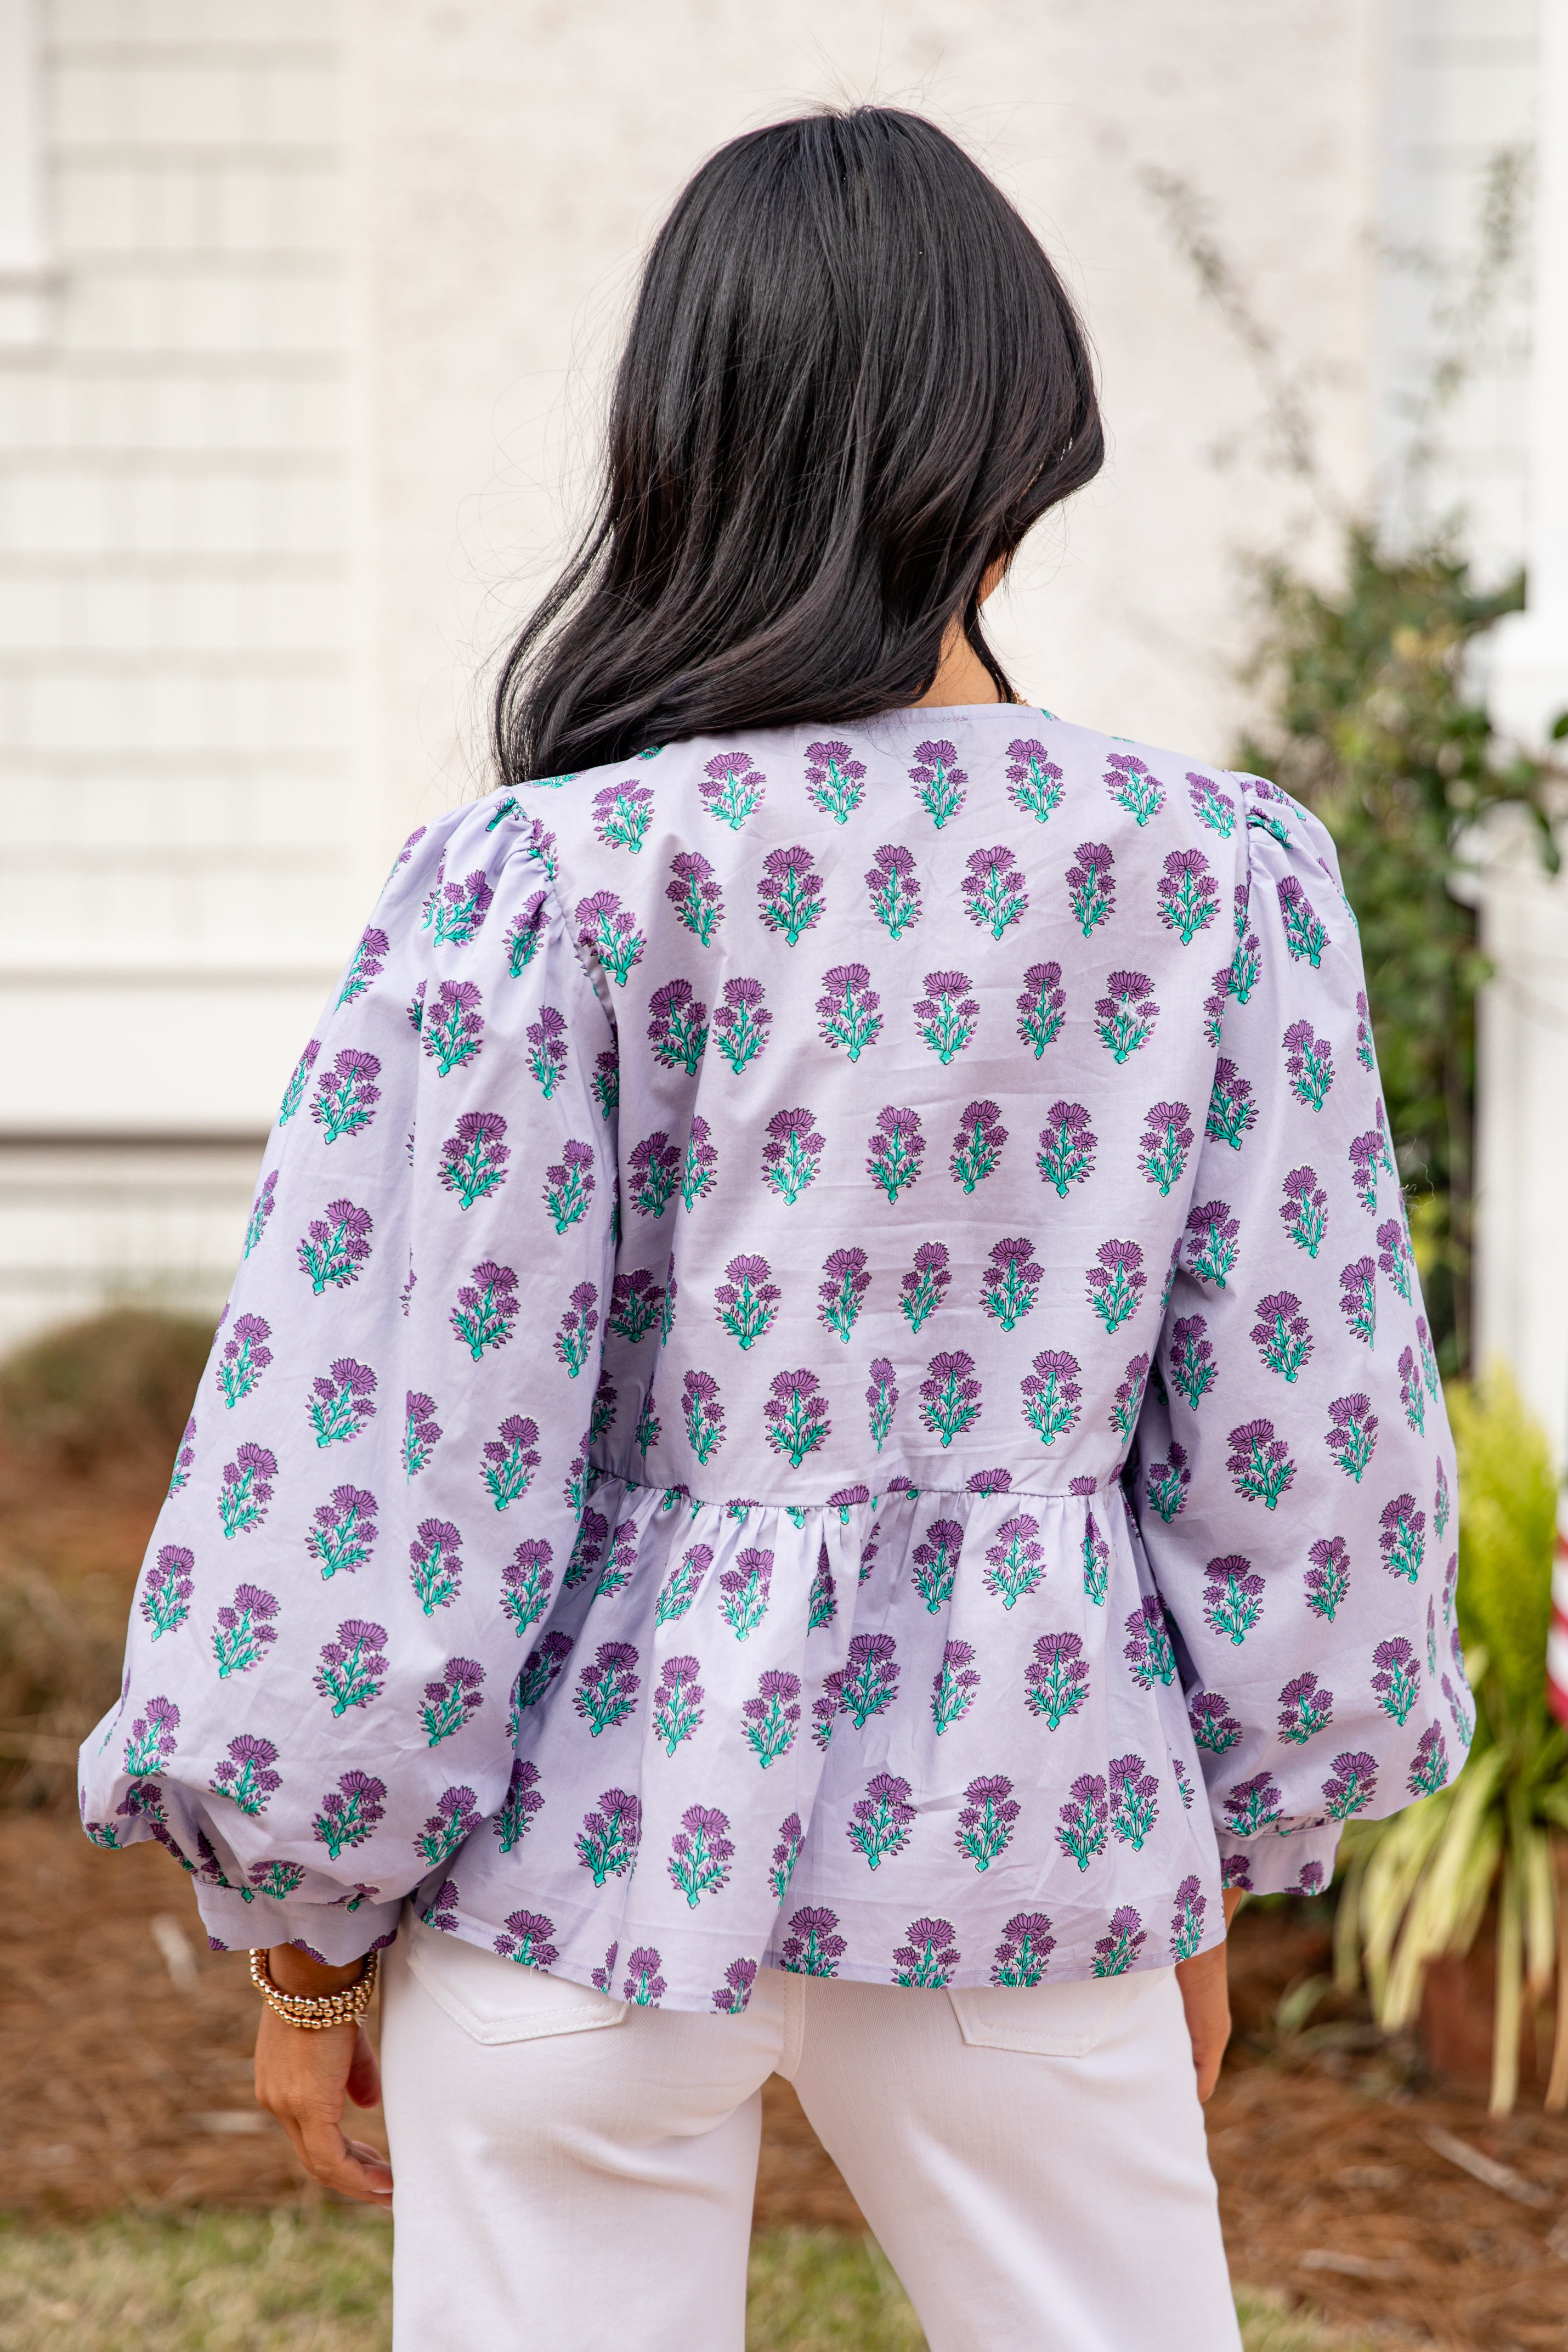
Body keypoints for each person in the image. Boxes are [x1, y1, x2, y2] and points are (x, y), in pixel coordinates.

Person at [80, 105, 1465, 2352]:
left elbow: (397, 1445)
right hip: (1034, 1837)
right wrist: (1218, 1848)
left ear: (684, 439)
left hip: (569, 1877)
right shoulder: (1212, 875)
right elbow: (1305, 1437)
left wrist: (309, 1924)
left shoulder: (538, 882)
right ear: (1021, 444)